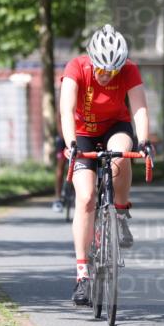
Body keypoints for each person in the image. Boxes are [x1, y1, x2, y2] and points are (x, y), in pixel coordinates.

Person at [60, 24, 152, 306]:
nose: (106, 75)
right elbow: (66, 108)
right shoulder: (76, 67)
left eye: (113, 71)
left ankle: (120, 212)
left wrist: (145, 140)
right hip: (83, 133)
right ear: (91, 61)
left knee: (121, 154)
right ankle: (82, 275)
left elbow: (138, 108)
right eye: (102, 69)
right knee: (86, 197)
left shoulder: (129, 70)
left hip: (115, 126)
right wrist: (71, 143)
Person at [51, 134, 67, 212]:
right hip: (63, 138)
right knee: (60, 167)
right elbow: (60, 128)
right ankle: (58, 198)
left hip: (79, 137)